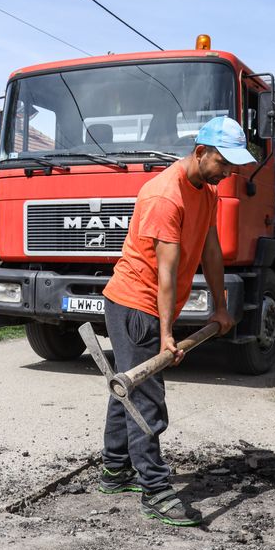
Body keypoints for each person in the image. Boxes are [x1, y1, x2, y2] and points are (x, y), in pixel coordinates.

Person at [98, 116, 247, 526]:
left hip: (151, 304)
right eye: (224, 162)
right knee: (146, 395)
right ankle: (156, 490)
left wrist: (220, 305)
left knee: (128, 385)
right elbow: (167, 271)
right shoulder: (165, 196)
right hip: (135, 305)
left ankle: (115, 469)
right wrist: (166, 335)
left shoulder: (207, 192)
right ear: (200, 152)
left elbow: (210, 250)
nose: (229, 171)